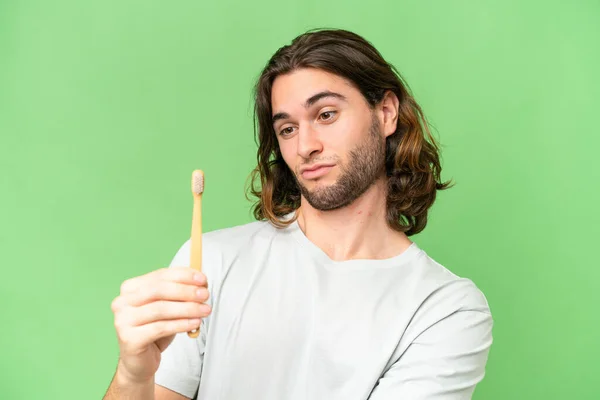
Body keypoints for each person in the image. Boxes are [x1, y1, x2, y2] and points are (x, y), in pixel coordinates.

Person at [104, 28, 493, 400]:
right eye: (287, 129)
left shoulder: (445, 309)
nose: (305, 146)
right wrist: (132, 375)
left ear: (386, 112)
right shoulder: (211, 264)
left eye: (326, 114)